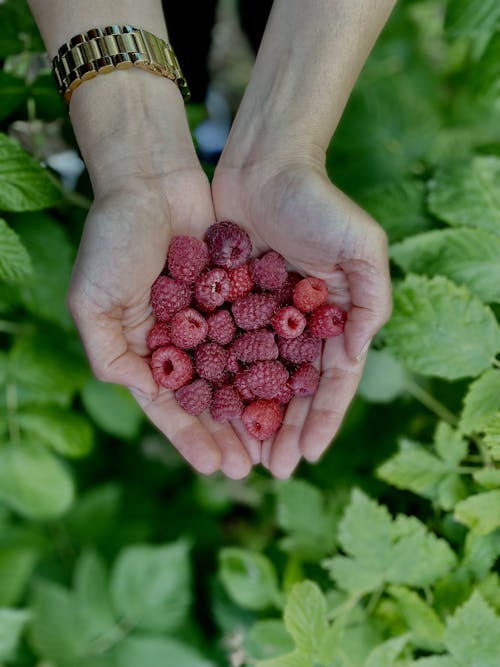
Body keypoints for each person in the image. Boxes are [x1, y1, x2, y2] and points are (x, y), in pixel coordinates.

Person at [28, 0, 394, 480]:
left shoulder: (239, 326)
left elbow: (242, 333)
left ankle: (226, 103)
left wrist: (284, 144)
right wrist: (134, 161)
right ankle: (196, 96)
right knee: (185, 27)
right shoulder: (227, 316)